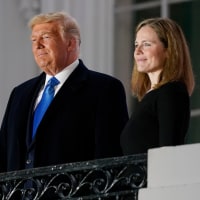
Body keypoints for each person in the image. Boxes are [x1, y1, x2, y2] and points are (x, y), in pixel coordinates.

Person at [0, 11, 129, 173]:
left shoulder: (104, 89)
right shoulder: (19, 94)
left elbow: (110, 157)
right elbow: (4, 153)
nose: (37, 45)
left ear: (71, 44)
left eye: (45, 37)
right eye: (33, 40)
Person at [120, 17, 195, 155]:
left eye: (146, 44)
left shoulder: (171, 92)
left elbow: (168, 153)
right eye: (136, 45)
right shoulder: (151, 96)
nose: (137, 52)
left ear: (168, 50)